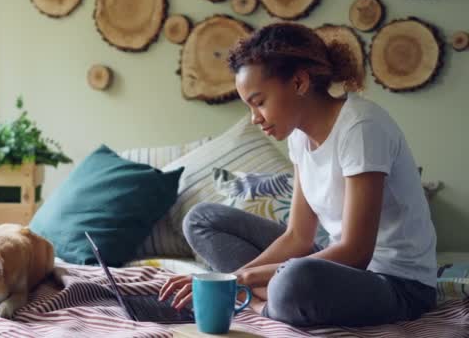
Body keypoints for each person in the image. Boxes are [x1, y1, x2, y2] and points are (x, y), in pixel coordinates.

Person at [158, 22, 437, 327]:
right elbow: (298, 237)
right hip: (334, 266)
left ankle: (257, 303)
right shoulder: (298, 136)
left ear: (300, 82)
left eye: (259, 102)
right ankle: (264, 297)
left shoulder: (361, 127)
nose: (254, 119)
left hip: (396, 285)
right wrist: (233, 279)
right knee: (201, 219)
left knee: (293, 280)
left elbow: (357, 252)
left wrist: (242, 277)